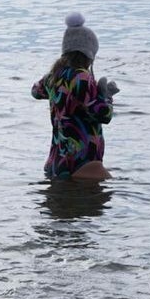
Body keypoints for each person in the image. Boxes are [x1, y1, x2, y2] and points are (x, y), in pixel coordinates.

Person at [32, 13, 118, 180]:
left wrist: (53, 84)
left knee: (62, 204)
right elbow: (103, 115)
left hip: (58, 159)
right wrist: (106, 96)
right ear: (89, 53)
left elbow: (35, 91)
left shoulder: (52, 76)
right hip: (83, 160)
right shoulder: (82, 78)